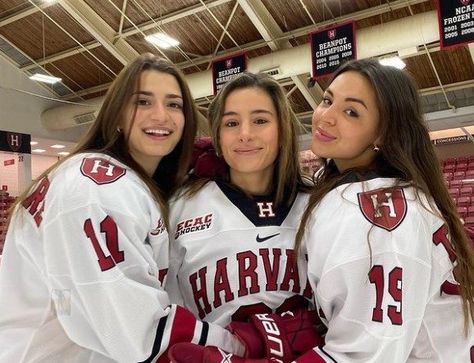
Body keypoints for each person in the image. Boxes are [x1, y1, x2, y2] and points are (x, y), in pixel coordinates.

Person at [0, 53, 242, 362]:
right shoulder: (95, 188)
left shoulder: (124, 183)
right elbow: (137, 331)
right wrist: (239, 344)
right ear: (116, 114)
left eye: (174, 104)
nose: (161, 116)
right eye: (142, 102)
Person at [292, 58, 474, 362]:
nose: (326, 117)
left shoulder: (375, 213)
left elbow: (366, 353)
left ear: (382, 134)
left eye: (351, 112)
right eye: (327, 100)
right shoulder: (392, 189)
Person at [165, 72, 323, 362]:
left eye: (260, 120)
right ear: (217, 135)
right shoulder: (179, 206)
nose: (245, 134)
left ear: (283, 129)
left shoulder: (320, 205)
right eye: (231, 123)